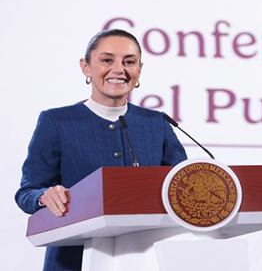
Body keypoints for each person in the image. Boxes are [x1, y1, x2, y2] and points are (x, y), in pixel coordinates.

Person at [15, 29, 187, 271]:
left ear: (139, 70)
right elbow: (27, 193)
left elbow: (183, 185)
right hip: (72, 260)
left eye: (129, 62)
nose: (119, 70)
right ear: (86, 67)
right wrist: (44, 196)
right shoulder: (56, 121)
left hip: (146, 259)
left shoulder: (156, 123)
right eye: (107, 60)